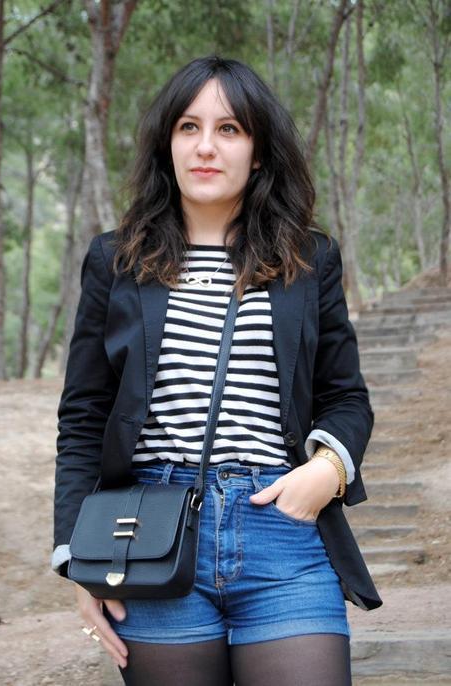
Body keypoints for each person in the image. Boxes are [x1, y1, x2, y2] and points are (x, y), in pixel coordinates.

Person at [51, 54, 383, 686]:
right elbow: (85, 416)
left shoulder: (308, 259)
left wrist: (326, 472)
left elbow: (345, 397)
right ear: (167, 145)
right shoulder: (115, 260)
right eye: (188, 127)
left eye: (229, 129)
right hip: (150, 534)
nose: (206, 146)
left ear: (257, 152)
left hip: (281, 531)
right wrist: (77, 556)